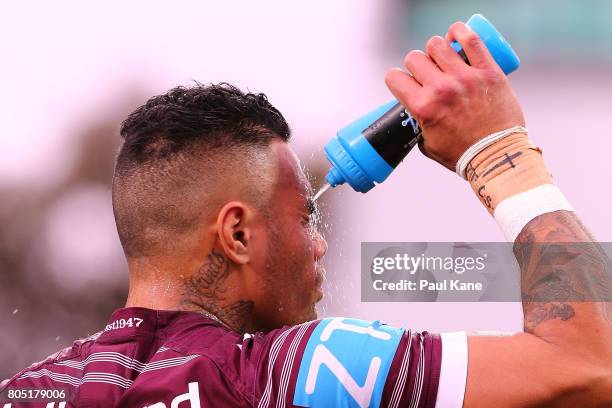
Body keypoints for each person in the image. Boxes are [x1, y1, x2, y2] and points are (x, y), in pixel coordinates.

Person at [1, 21, 611, 408]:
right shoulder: (299, 372)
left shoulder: (28, 389)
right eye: (306, 220)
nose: (319, 246)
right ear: (237, 235)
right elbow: (592, 362)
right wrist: (498, 150)